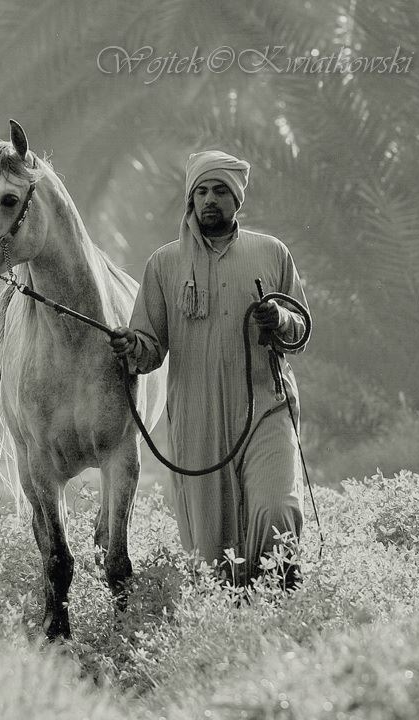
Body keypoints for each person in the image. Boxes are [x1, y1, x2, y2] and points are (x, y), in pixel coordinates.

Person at [109, 150, 310, 588]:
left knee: (277, 510)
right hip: (197, 420)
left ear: (237, 199)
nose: (210, 200)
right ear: (190, 201)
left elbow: (300, 330)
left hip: (266, 408)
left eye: (220, 190)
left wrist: (278, 319)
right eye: (201, 191)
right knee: (209, 544)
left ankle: (280, 605)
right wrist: (130, 347)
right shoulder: (163, 264)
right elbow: (149, 349)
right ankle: (233, 625)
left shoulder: (272, 252)